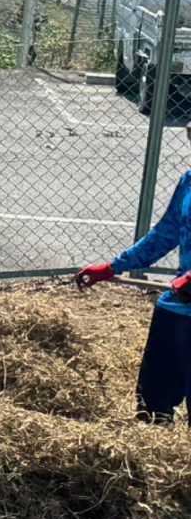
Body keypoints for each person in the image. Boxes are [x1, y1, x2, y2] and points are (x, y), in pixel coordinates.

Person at [74, 143, 191, 420]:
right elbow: (166, 233)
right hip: (179, 304)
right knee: (153, 397)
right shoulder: (189, 180)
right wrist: (114, 266)